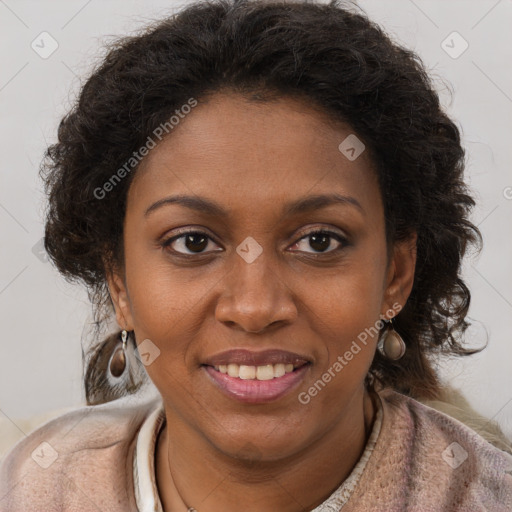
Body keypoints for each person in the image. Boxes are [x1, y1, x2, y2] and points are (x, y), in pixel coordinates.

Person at [1, 0, 511, 510]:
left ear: (396, 274)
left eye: (319, 241)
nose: (254, 308)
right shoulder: (32, 487)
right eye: (192, 242)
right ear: (119, 282)